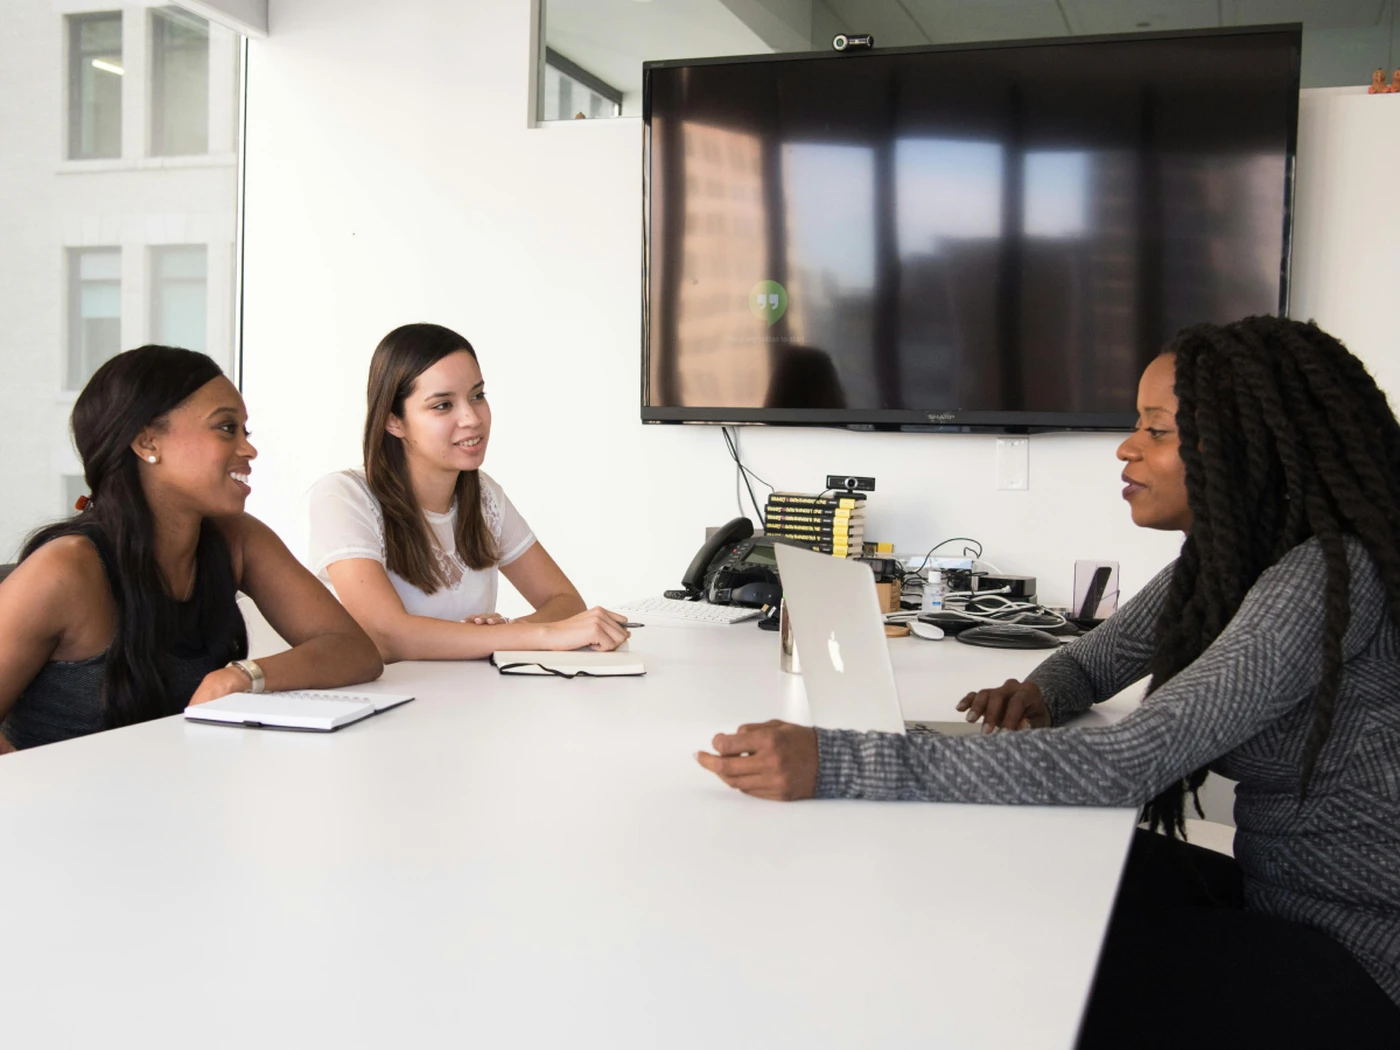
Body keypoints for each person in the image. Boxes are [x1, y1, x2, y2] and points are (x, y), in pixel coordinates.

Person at [696, 316, 1400, 1048]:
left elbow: (1128, 762)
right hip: (1278, 897)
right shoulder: (1225, 566)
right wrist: (1043, 694)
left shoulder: (1323, 577)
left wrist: (838, 761)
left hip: (1358, 955)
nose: (1126, 447)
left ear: (1250, 447)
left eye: (1157, 431)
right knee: (1014, 868)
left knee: (1014, 967)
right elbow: (1094, 660)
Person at [0, 346, 383, 753]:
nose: (248, 449)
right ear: (148, 442)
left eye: (244, 431)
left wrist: (243, 676)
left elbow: (354, 651)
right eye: (225, 428)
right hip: (59, 809)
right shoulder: (66, 569)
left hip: (179, 798)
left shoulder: (237, 539)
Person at [308, 323, 628, 661]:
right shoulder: (343, 496)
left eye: (477, 396)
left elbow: (564, 602)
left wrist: (501, 634)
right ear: (394, 421)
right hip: (384, 706)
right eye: (443, 405)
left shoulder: (484, 494)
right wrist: (527, 635)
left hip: (470, 702)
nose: (472, 418)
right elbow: (387, 636)